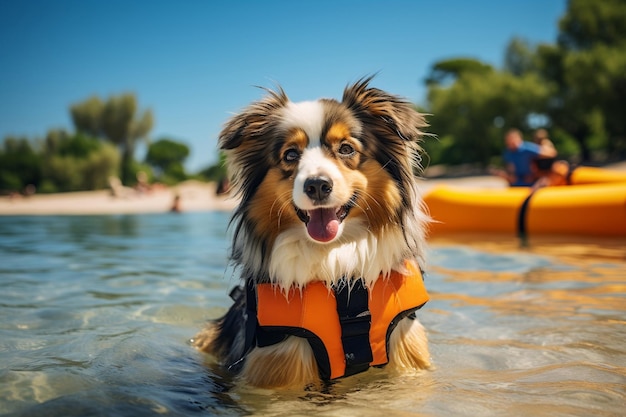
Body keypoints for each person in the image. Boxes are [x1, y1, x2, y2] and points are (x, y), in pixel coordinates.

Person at [491, 128, 557, 187]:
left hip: (531, 181)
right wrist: (506, 175)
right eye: (509, 141)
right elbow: (510, 169)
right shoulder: (508, 153)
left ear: (519, 139)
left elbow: (551, 153)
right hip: (517, 181)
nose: (512, 143)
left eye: (513, 140)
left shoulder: (527, 148)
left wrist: (546, 145)